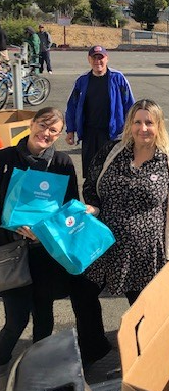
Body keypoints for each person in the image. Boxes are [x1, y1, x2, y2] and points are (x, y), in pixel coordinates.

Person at [70, 99, 169, 368]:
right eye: (137, 122)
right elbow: (91, 183)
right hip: (103, 243)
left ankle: (145, 354)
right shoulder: (113, 151)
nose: (143, 128)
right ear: (129, 125)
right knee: (82, 292)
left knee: (143, 306)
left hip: (145, 249)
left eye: (149, 122)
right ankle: (94, 348)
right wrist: (94, 206)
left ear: (158, 126)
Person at [0, 107, 80, 388]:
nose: (46, 133)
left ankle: (42, 370)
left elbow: (71, 208)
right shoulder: (6, 158)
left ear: (59, 135)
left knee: (44, 316)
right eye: (42, 125)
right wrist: (10, 224)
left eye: (53, 130)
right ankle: (1, 362)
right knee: (16, 319)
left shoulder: (62, 163)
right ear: (31, 124)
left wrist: (46, 231)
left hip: (44, 253)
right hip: (10, 252)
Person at [65, 45, 135, 177]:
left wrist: (131, 129)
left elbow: (130, 105)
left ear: (107, 59)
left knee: (112, 171)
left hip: (113, 133)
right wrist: (70, 130)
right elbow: (72, 106)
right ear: (89, 60)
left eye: (101, 58)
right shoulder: (82, 80)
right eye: (94, 58)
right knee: (91, 171)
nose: (98, 61)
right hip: (89, 133)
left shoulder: (118, 78)